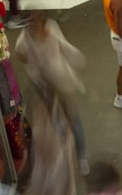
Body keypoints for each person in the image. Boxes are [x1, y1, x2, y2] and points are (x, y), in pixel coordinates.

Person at [15, 11, 90, 175]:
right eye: (32, 20)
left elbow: (64, 47)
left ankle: (81, 158)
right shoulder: (25, 37)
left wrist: (77, 58)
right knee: (56, 121)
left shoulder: (52, 28)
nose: (35, 23)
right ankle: (65, 153)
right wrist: (32, 66)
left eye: (38, 19)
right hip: (43, 86)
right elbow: (20, 54)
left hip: (62, 81)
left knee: (73, 119)